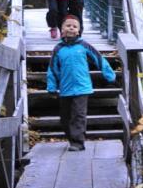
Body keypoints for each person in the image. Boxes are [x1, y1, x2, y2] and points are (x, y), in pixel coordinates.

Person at [47, 13, 116, 151]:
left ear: (78, 30)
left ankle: (77, 143)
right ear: (62, 29)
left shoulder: (84, 46)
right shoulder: (58, 49)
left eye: (74, 26)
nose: (71, 28)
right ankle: (72, 138)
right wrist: (52, 87)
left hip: (82, 87)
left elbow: (99, 59)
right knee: (65, 118)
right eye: (68, 25)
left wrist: (110, 76)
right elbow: (52, 69)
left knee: (78, 115)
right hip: (65, 89)